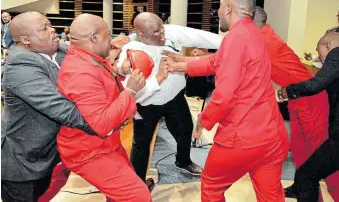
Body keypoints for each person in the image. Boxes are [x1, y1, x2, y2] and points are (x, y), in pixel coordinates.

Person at [165, 0, 289, 202]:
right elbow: (215, 62)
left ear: (229, 8)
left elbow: (224, 96)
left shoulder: (235, 38)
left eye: (220, 8)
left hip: (242, 137)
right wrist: (182, 64)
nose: (218, 12)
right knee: (270, 196)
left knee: (212, 187)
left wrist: (203, 121)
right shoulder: (255, 35)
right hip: (272, 135)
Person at [253, 6, 339, 201]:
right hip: (298, 100)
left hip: (310, 100)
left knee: (321, 159)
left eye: (320, 51)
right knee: (300, 151)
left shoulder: (262, 39)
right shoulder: (262, 37)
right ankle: (304, 189)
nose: (321, 58)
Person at [115, 12, 221, 190]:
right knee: (141, 144)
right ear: (142, 34)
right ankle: (139, 183)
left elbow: (203, 38)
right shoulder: (132, 50)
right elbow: (133, 91)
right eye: (156, 32)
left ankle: (183, 161)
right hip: (147, 104)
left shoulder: (169, 32)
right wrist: (122, 68)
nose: (163, 34)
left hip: (175, 97)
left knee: (185, 130)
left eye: (162, 28)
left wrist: (234, 43)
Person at [1, 12, 96, 202]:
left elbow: (86, 55)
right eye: (44, 28)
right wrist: (103, 124)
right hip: (22, 162)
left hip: (48, 153)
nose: (52, 30)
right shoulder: (20, 65)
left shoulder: (55, 51)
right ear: (26, 40)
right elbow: (60, 108)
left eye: (50, 25)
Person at [56, 13, 151, 202]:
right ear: (94, 38)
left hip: (104, 145)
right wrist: (131, 90)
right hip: (89, 152)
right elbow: (101, 124)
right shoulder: (80, 72)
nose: (112, 40)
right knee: (138, 196)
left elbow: (100, 79)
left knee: (119, 195)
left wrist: (119, 71)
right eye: (108, 35)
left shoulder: (86, 57)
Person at [280, 32, 339, 202]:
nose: (320, 57)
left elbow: (316, 84)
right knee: (309, 173)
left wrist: (288, 90)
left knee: (306, 176)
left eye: (318, 51)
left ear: (327, 45)